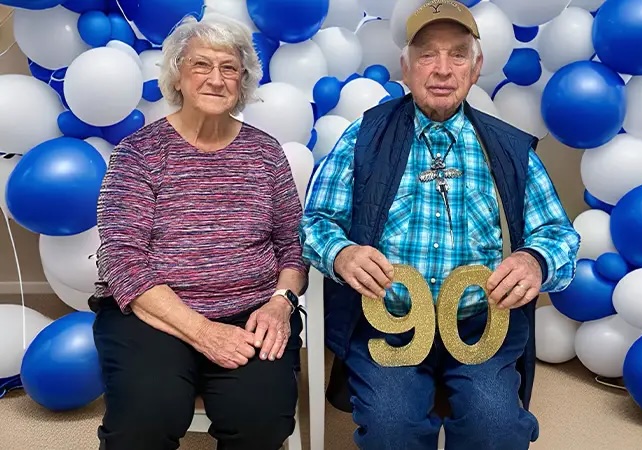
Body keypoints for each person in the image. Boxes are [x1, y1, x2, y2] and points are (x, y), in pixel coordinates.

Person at [300, 1, 581, 449]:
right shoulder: (364, 135)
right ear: (405, 68)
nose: (443, 70)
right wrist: (342, 252)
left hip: (478, 327)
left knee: (498, 429)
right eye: (428, 55)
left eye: (458, 55)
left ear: (476, 68)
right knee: (392, 429)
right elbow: (315, 222)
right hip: (389, 324)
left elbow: (558, 234)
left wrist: (534, 260)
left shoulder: (508, 147)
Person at [89, 16, 308, 450]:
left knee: (260, 422)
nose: (215, 79)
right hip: (154, 317)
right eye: (201, 65)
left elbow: (292, 246)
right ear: (177, 74)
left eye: (229, 68)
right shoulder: (139, 153)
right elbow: (121, 260)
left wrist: (281, 305)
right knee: (145, 420)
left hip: (251, 313)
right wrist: (204, 333)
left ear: (242, 80)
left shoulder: (265, 153)